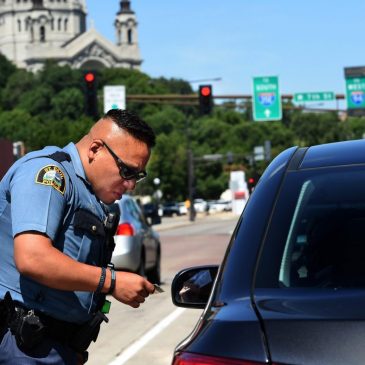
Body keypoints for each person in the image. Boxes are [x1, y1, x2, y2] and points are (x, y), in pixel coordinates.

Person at [0, 109, 157, 364]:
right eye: (127, 171)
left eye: (138, 176)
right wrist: (112, 282)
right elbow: (32, 257)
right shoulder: (49, 175)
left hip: (54, 347)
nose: (131, 184)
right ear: (95, 149)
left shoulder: (90, 195)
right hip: (24, 346)